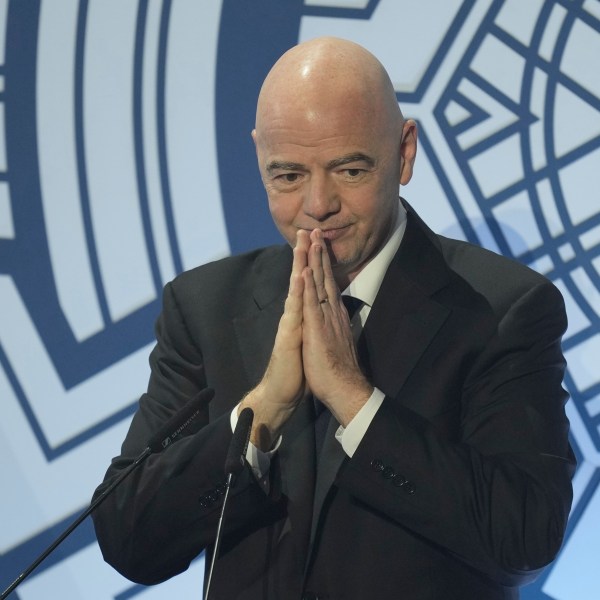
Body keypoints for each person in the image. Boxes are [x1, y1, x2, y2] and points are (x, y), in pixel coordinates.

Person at [92, 37, 575, 599]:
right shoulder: (204, 308)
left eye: (349, 170)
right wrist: (265, 408)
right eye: (288, 175)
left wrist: (354, 399)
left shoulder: (504, 309)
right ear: (259, 158)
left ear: (404, 151)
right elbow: (127, 537)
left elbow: (523, 538)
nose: (318, 204)